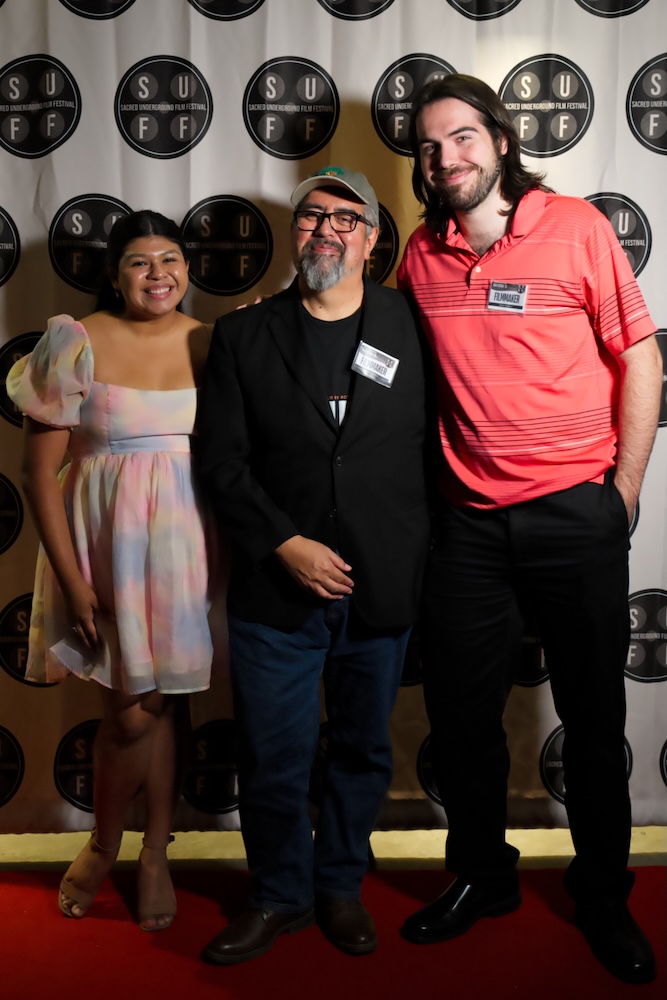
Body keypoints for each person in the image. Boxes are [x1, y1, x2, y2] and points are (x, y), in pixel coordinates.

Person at [395, 74, 663, 985]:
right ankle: (482, 876)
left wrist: (620, 493)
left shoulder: (576, 227)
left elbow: (639, 357)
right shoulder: (419, 254)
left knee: (591, 717)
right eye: (429, 146)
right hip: (467, 525)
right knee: (462, 717)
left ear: (502, 141)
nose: (446, 158)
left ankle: (602, 894)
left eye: (462, 137)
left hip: (573, 512)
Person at [197, 166, 432, 964]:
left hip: (380, 583)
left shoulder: (414, 323)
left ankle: (338, 885)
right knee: (273, 755)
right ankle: (277, 894)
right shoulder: (243, 334)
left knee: (363, 752)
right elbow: (223, 463)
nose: (326, 229)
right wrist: (284, 544)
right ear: (292, 233)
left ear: (371, 239)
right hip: (275, 592)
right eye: (310, 216)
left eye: (345, 218)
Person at [7, 210, 214, 931]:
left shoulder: (213, 341)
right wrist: (73, 582)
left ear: (187, 268)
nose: (159, 273)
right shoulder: (76, 340)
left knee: (167, 701)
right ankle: (103, 844)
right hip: (106, 553)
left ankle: (155, 852)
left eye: (171, 258)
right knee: (130, 711)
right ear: (115, 273)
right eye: (139, 261)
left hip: (192, 548)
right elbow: (38, 476)